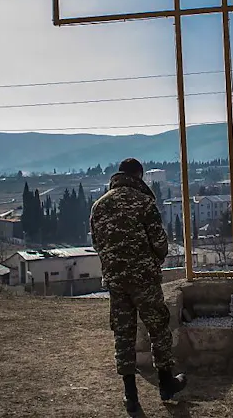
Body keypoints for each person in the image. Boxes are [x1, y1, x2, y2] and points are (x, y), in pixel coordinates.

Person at [90, 158, 187, 414]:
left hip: (116, 281)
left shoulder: (99, 206)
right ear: (139, 176)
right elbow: (160, 243)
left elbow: (98, 245)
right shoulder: (143, 202)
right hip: (144, 280)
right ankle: (166, 384)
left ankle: (130, 396)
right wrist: (151, 262)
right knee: (158, 328)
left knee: (123, 335)